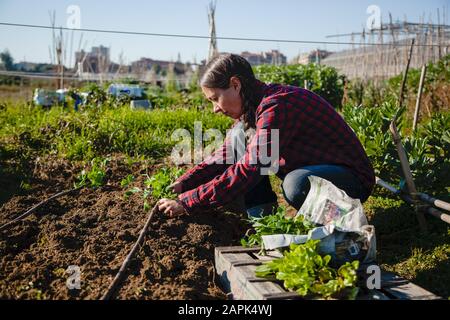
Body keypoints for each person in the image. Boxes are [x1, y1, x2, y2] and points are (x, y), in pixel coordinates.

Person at [157, 54, 375, 218]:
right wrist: (183, 184)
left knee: (296, 184)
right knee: (238, 141)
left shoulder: (277, 106)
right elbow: (223, 156)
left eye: (215, 99)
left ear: (235, 84)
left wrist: (189, 202)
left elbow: (251, 168)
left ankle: (340, 221)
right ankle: (264, 223)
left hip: (351, 181)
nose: (215, 108)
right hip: (322, 173)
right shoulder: (253, 109)